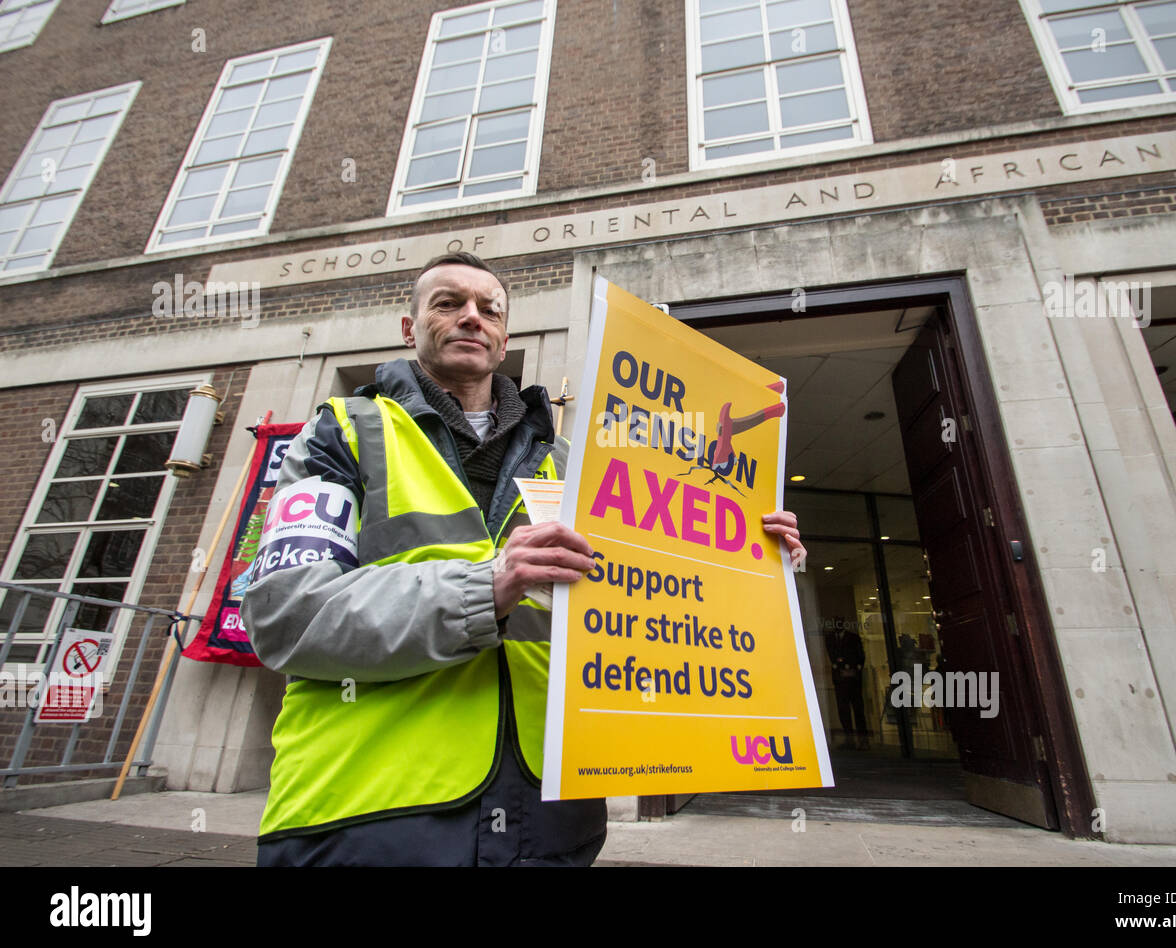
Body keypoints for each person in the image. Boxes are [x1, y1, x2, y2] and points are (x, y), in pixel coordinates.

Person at [243, 251, 807, 866]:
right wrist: (485, 588)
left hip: (551, 822)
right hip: (364, 815)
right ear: (410, 328)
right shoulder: (341, 434)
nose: (471, 318)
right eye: (448, 303)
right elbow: (287, 616)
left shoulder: (574, 464)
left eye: (489, 310)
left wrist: (753, 560)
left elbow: (649, 598)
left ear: (505, 337)